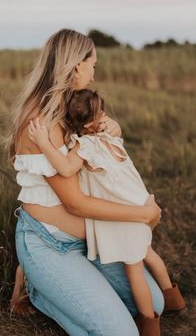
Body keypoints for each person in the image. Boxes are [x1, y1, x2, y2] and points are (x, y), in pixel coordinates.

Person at [9, 28, 164, 336]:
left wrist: (111, 128)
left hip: (92, 239)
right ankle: (39, 290)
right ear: (77, 65)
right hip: (50, 243)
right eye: (93, 65)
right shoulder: (41, 123)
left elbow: (92, 157)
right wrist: (143, 215)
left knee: (154, 305)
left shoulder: (73, 106)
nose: (93, 75)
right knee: (123, 333)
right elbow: (75, 203)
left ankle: (53, 288)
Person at [28, 88, 185, 335]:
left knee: (134, 272)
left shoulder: (85, 145)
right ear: (97, 117)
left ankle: (149, 324)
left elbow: (66, 169)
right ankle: (175, 298)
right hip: (141, 203)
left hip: (128, 216)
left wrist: (44, 143)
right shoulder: (111, 137)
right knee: (149, 254)